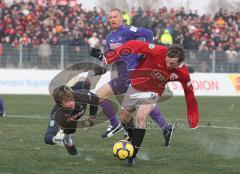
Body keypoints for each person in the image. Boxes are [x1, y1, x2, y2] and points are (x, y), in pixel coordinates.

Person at [96, 40, 199, 166]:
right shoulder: (158, 50)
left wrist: (193, 118)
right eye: (166, 60)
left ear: (179, 62)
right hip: (136, 85)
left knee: (141, 116)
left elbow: (190, 94)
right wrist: (110, 57)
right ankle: (132, 137)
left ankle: (133, 154)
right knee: (123, 117)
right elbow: (134, 44)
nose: (167, 64)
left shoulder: (183, 73)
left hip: (153, 91)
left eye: (171, 63)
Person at [89, 9, 174, 145]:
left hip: (133, 72)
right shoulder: (110, 37)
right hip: (122, 73)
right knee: (142, 104)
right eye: (110, 17)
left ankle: (119, 128)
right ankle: (165, 128)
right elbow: (110, 57)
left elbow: (148, 33)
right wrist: (101, 58)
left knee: (100, 96)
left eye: (115, 17)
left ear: (121, 18)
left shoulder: (127, 30)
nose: (113, 19)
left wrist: (149, 52)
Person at [43, 76, 100, 156]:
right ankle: (67, 142)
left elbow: (95, 99)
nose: (71, 103)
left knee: (83, 79)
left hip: (76, 92)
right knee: (67, 134)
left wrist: (92, 117)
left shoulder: (81, 95)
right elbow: (47, 137)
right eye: (67, 101)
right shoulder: (56, 115)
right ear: (60, 103)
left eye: (71, 99)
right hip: (68, 120)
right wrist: (55, 139)